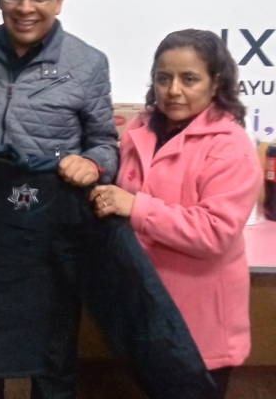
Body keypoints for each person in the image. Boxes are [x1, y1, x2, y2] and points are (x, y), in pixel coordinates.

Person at [0, 0, 119, 398]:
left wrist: (93, 164)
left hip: (51, 230)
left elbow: (105, 143)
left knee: (53, 354)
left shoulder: (88, 63)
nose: (25, 7)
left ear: (60, 1)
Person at [90, 29, 262, 399]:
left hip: (199, 327)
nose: (173, 90)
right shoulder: (139, 129)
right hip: (144, 311)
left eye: (189, 78)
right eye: (163, 78)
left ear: (216, 82)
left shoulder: (230, 145)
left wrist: (136, 207)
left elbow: (214, 232)